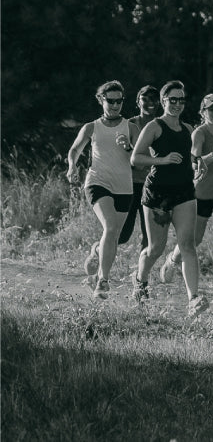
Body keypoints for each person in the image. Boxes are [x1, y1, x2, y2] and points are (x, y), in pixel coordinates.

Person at [131, 80, 209, 316]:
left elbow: (189, 156)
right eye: (172, 99)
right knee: (155, 248)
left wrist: (198, 162)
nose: (177, 104)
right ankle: (140, 281)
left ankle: (193, 299)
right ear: (163, 101)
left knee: (187, 245)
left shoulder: (187, 128)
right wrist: (162, 160)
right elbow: (136, 158)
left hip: (184, 192)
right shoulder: (154, 126)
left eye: (181, 100)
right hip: (158, 194)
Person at [161, 94, 213, 302]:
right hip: (201, 195)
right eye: (211, 109)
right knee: (193, 241)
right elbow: (194, 162)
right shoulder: (199, 133)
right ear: (203, 112)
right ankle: (172, 260)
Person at [66, 80, 140, 299]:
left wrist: (128, 146)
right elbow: (75, 150)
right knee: (110, 226)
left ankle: (97, 250)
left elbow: (140, 159)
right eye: (111, 101)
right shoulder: (91, 127)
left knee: (116, 236)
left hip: (124, 187)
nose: (115, 105)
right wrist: (72, 166)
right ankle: (103, 281)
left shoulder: (131, 128)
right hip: (97, 182)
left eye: (119, 101)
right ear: (101, 100)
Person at [117, 86, 159, 259]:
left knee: (150, 236)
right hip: (129, 185)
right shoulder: (129, 125)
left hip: (154, 185)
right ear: (137, 102)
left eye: (154, 98)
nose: (150, 102)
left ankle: (142, 273)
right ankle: (98, 250)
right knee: (122, 235)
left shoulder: (163, 125)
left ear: (160, 102)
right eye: (145, 98)